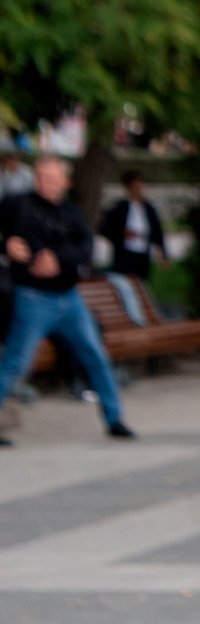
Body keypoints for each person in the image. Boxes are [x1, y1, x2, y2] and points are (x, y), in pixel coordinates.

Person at [0, 152, 133, 442]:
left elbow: (87, 248)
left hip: (69, 299)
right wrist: (6, 245)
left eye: (52, 178)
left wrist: (58, 259)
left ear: (65, 182)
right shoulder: (17, 205)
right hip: (32, 298)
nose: (45, 183)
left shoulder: (72, 212)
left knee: (95, 356)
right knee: (16, 361)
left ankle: (114, 419)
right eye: (41, 177)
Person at [99, 170, 168, 314]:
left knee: (141, 286)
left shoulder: (148, 209)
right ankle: (127, 313)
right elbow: (105, 229)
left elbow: (157, 232)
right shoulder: (120, 208)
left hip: (142, 254)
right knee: (124, 285)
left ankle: (141, 314)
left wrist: (163, 253)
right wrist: (122, 234)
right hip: (125, 255)